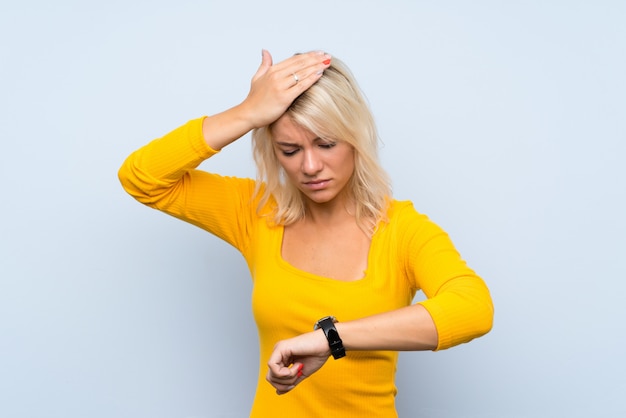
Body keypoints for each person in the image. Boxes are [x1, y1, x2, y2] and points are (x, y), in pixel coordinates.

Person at [118, 50, 494, 417]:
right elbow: (142, 178)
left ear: (356, 139)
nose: (310, 166)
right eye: (290, 149)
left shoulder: (402, 231)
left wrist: (329, 339)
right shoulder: (257, 213)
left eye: (326, 144)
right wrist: (248, 112)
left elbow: (473, 309)